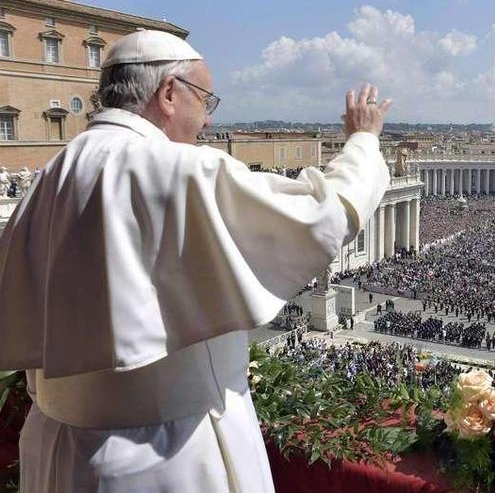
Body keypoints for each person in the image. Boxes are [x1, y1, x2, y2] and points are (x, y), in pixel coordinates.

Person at [0, 30, 392, 493]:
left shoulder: (52, 176)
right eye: (206, 100)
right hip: (167, 457)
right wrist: (363, 142)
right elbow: (322, 213)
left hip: (61, 453)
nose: (206, 122)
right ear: (169, 93)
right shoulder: (177, 168)